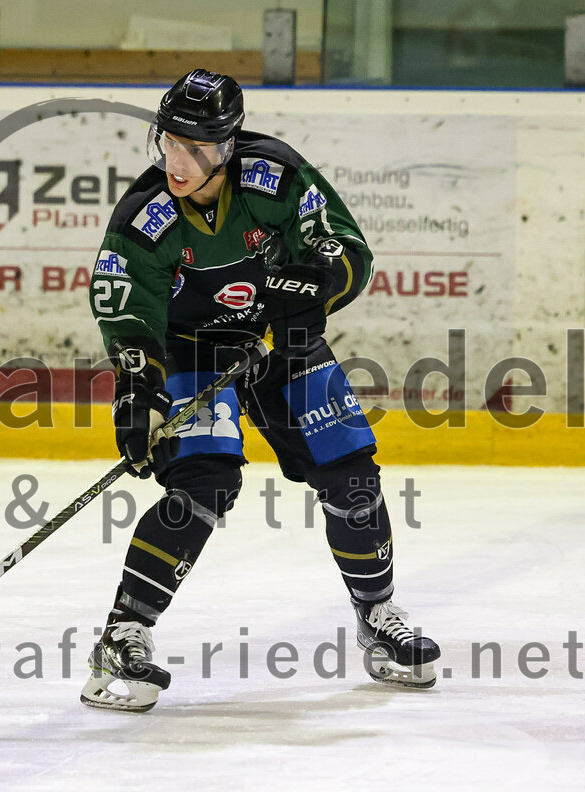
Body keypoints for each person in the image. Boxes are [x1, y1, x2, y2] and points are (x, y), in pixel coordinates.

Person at [82, 69, 440, 712]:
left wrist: (318, 283)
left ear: (228, 147)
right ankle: (123, 634)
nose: (177, 161)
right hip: (190, 351)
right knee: (203, 483)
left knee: (352, 475)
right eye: (168, 143)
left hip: (279, 342)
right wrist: (138, 391)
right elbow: (126, 308)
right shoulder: (146, 216)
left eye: (196, 148)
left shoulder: (274, 178)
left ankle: (378, 615)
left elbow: (347, 249)